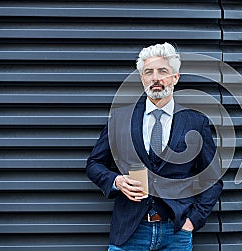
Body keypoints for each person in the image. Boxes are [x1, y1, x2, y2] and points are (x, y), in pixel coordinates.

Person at [86, 42, 223, 251]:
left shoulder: (196, 122)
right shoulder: (120, 118)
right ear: (142, 78)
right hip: (129, 232)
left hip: (176, 233)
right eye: (148, 72)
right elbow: (94, 164)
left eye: (163, 71)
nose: (155, 78)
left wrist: (192, 222)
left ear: (175, 77)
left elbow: (211, 179)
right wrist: (116, 181)